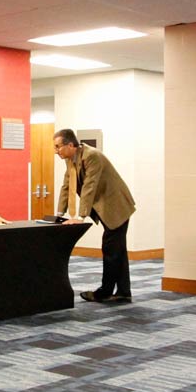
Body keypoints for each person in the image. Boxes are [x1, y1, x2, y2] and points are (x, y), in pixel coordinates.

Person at [53, 129, 136, 303]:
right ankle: (123, 292)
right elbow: (66, 186)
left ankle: (104, 292)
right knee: (118, 250)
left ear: (70, 145)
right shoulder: (70, 160)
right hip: (105, 207)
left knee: (111, 249)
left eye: (58, 147)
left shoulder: (92, 156)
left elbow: (89, 186)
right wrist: (59, 214)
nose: (56, 151)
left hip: (117, 206)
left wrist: (81, 216)